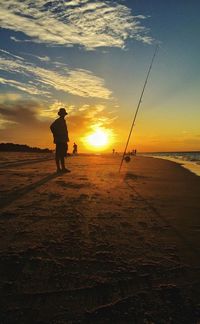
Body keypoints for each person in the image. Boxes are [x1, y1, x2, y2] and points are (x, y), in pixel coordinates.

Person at [50, 107, 70, 173]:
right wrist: (56, 134)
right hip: (60, 140)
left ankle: (62, 168)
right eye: (62, 113)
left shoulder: (63, 120)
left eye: (64, 114)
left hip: (63, 140)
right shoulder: (58, 120)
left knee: (62, 154)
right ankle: (59, 169)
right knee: (58, 154)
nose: (63, 115)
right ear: (60, 114)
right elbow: (51, 127)